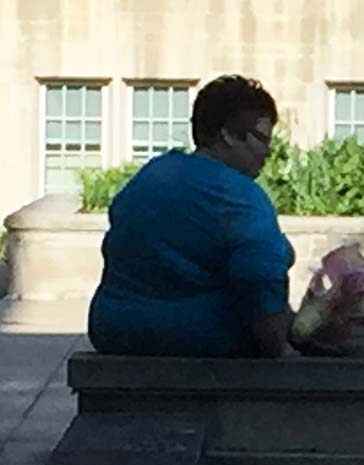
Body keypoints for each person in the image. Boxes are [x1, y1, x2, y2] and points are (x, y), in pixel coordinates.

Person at [88, 75, 296, 358]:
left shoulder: (151, 174)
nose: (267, 152)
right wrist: (282, 348)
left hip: (112, 329)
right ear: (228, 135)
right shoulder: (240, 195)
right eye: (261, 139)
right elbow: (259, 276)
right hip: (199, 336)